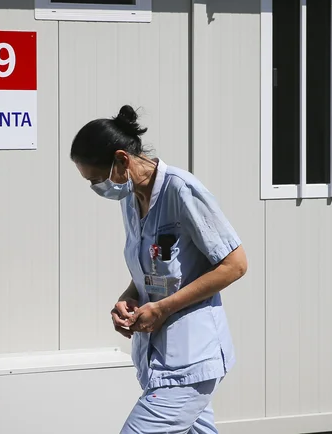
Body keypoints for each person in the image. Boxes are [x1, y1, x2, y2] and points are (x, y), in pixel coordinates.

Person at [70, 105, 248, 434]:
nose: (98, 188)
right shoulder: (131, 198)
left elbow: (235, 265)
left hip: (190, 358)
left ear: (122, 160)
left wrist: (163, 308)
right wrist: (129, 296)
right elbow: (152, 265)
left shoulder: (182, 190)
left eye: (97, 179)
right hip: (159, 358)